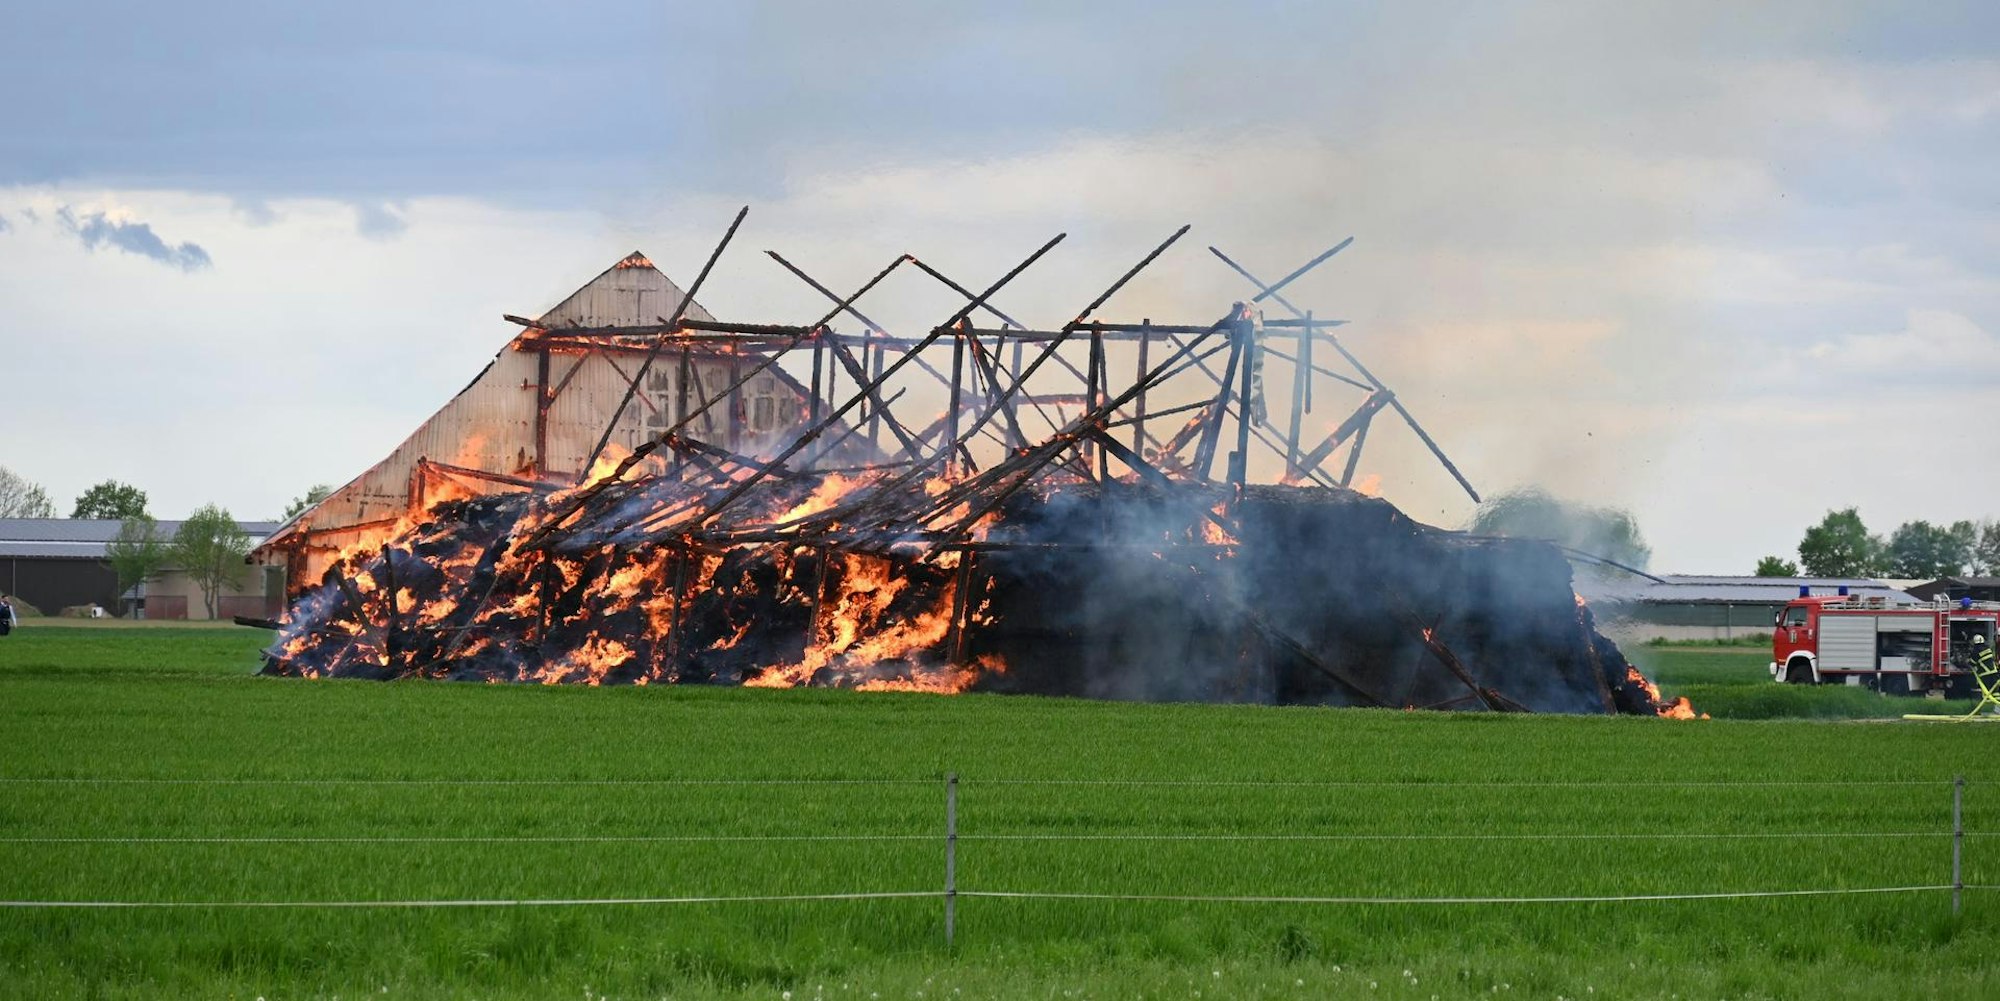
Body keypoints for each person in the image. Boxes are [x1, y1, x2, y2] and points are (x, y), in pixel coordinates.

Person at [1971, 634, 1999, 717]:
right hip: (1994, 672)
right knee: (1996, 692)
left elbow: (1972, 662)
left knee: (1986, 694)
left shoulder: (1976, 651)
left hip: (1985, 674)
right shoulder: (1988, 648)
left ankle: (1986, 710)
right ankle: (1997, 710)